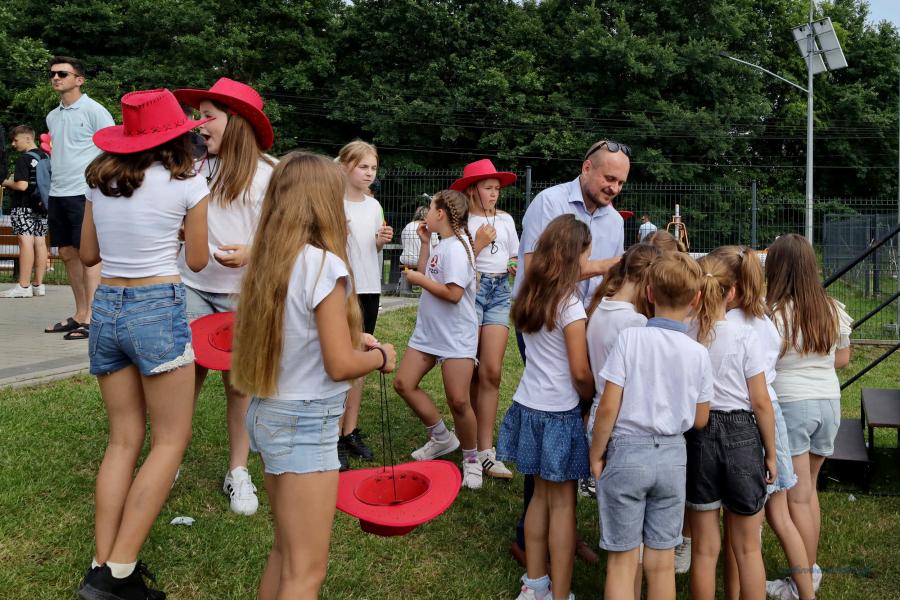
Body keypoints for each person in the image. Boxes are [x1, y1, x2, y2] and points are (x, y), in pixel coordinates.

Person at [231, 152, 396, 599]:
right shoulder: (325, 265)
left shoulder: (271, 260)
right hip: (305, 422)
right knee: (306, 571)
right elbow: (339, 366)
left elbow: (299, 331)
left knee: (286, 552)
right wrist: (381, 358)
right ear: (323, 204)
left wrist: (352, 337)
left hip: (270, 412)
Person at [75, 89, 210, 600]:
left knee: (122, 441)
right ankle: (120, 572)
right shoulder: (188, 183)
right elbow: (197, 260)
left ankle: (101, 563)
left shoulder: (100, 181)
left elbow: (88, 254)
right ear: (175, 136)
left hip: (107, 305)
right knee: (170, 440)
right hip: (157, 304)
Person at [511, 139, 630, 563]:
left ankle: (562, 527)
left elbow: (606, 286)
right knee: (554, 422)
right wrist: (604, 265)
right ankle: (531, 537)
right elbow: (536, 270)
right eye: (609, 178)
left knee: (572, 428)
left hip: (585, 328)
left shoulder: (614, 220)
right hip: (545, 324)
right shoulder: (549, 202)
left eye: (621, 182)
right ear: (586, 168)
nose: (614, 188)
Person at [173, 78, 277, 516]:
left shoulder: (270, 173)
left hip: (242, 297)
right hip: (192, 287)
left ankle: (237, 470)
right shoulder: (191, 168)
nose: (199, 124)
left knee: (239, 388)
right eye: (198, 115)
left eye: (208, 116)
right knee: (183, 380)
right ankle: (167, 459)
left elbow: (286, 235)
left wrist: (254, 251)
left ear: (237, 121)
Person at [590, 251, 712, 600]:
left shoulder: (630, 339)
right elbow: (701, 419)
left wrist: (596, 453)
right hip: (673, 458)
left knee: (622, 562)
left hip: (627, 453)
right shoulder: (698, 353)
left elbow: (609, 406)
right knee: (661, 564)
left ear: (649, 292)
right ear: (696, 299)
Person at [708, 245, 814, 600]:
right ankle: (807, 591)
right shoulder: (765, 320)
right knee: (768, 521)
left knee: (742, 527)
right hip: (769, 418)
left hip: (748, 420)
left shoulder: (724, 324)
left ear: (727, 288)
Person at [498, 215, 594, 600]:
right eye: (586, 255)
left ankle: (535, 585)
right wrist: (592, 395)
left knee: (539, 497)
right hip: (559, 413)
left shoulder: (530, 295)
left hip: (528, 406)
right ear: (573, 256)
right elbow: (580, 371)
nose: (589, 262)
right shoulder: (570, 305)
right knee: (563, 506)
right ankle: (560, 593)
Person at [764, 233, 852, 598]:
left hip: (792, 405)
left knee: (795, 497)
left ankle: (802, 582)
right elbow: (842, 358)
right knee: (809, 491)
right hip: (828, 402)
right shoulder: (832, 307)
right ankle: (809, 571)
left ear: (776, 268)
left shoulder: (773, 314)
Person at [686, 254, 777, 600]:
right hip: (742, 434)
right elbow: (761, 401)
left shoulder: (688, 333)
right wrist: (771, 454)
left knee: (704, 549)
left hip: (699, 433)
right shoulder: (745, 336)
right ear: (732, 292)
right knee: (748, 549)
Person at [393, 190, 482, 489]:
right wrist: (424, 243)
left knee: (459, 400)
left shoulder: (456, 248)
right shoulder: (442, 243)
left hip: (456, 335)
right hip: (429, 332)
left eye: (430, 209)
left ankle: (471, 459)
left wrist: (419, 280)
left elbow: (453, 295)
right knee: (404, 383)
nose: (426, 214)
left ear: (441, 214)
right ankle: (442, 437)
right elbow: (427, 274)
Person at [450, 159, 519, 480]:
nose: (494, 194)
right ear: (472, 190)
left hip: (499, 292)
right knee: (470, 371)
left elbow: (513, 253)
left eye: (497, 189)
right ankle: (470, 442)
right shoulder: (460, 222)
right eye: (488, 188)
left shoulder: (505, 219)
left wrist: (514, 265)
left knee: (491, 371)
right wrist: (477, 244)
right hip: (471, 291)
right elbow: (453, 263)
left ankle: (486, 450)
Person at [44, 55, 115, 339]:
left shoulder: (95, 110)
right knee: (66, 253)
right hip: (57, 192)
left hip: (84, 192)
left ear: (79, 80)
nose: (56, 78)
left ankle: (94, 317)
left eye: (62, 73)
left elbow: (112, 149)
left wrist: (100, 185)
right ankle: (80, 313)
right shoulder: (52, 116)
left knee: (89, 255)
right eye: (53, 74)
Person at [335, 140, 393, 470]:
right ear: (346, 166)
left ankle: (350, 430)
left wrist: (379, 242)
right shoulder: (332, 202)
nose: (369, 173)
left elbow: (371, 248)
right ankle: (331, 434)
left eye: (373, 168)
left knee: (360, 358)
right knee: (340, 358)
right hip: (342, 289)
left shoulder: (374, 206)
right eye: (363, 167)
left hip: (369, 288)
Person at [1, 126, 49, 298]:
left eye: (16, 140)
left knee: (25, 242)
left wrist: (5, 182)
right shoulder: (46, 157)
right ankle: (38, 284)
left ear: (28, 138)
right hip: (42, 205)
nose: (13, 144)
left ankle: (23, 286)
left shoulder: (24, 159)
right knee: (40, 242)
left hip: (23, 206)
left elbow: (22, 186)